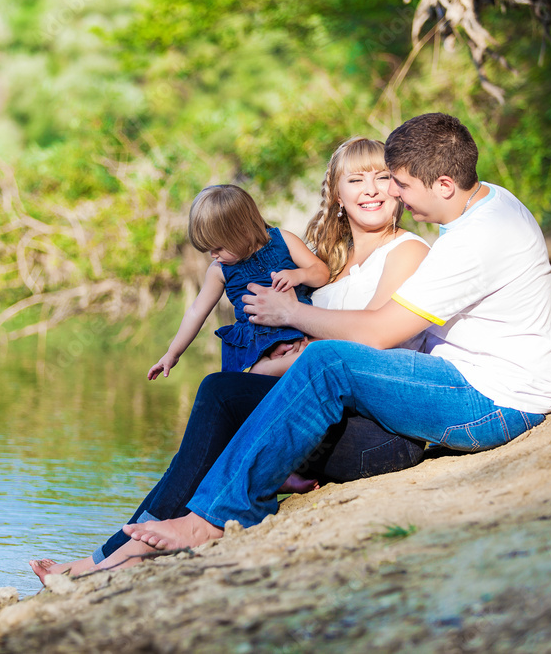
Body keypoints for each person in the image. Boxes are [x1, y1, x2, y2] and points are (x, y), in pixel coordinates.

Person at [123, 112, 551, 552]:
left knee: (326, 362)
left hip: (494, 402)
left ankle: (213, 519)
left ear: (445, 185)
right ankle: (133, 542)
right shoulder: (491, 203)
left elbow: (378, 332)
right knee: (239, 389)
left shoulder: (472, 241)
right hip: (473, 381)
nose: (392, 193)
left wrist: (289, 313)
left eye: (401, 184)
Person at [30, 136, 430, 582]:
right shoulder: (333, 261)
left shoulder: (407, 251)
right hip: (322, 414)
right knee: (210, 421)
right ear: (338, 193)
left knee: (220, 394)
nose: (371, 189)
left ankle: (124, 551)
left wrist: (271, 362)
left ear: (398, 186)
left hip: (375, 431)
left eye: (381, 177)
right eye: (357, 179)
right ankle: (116, 551)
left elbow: (373, 344)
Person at [148, 184, 328, 380]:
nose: (213, 255)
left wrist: (299, 275)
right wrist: (172, 353)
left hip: (299, 329)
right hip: (259, 344)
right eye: (208, 249)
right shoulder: (218, 271)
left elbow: (321, 272)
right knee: (256, 379)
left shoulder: (283, 240)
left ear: (243, 231)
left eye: (218, 248)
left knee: (309, 355)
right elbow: (196, 311)